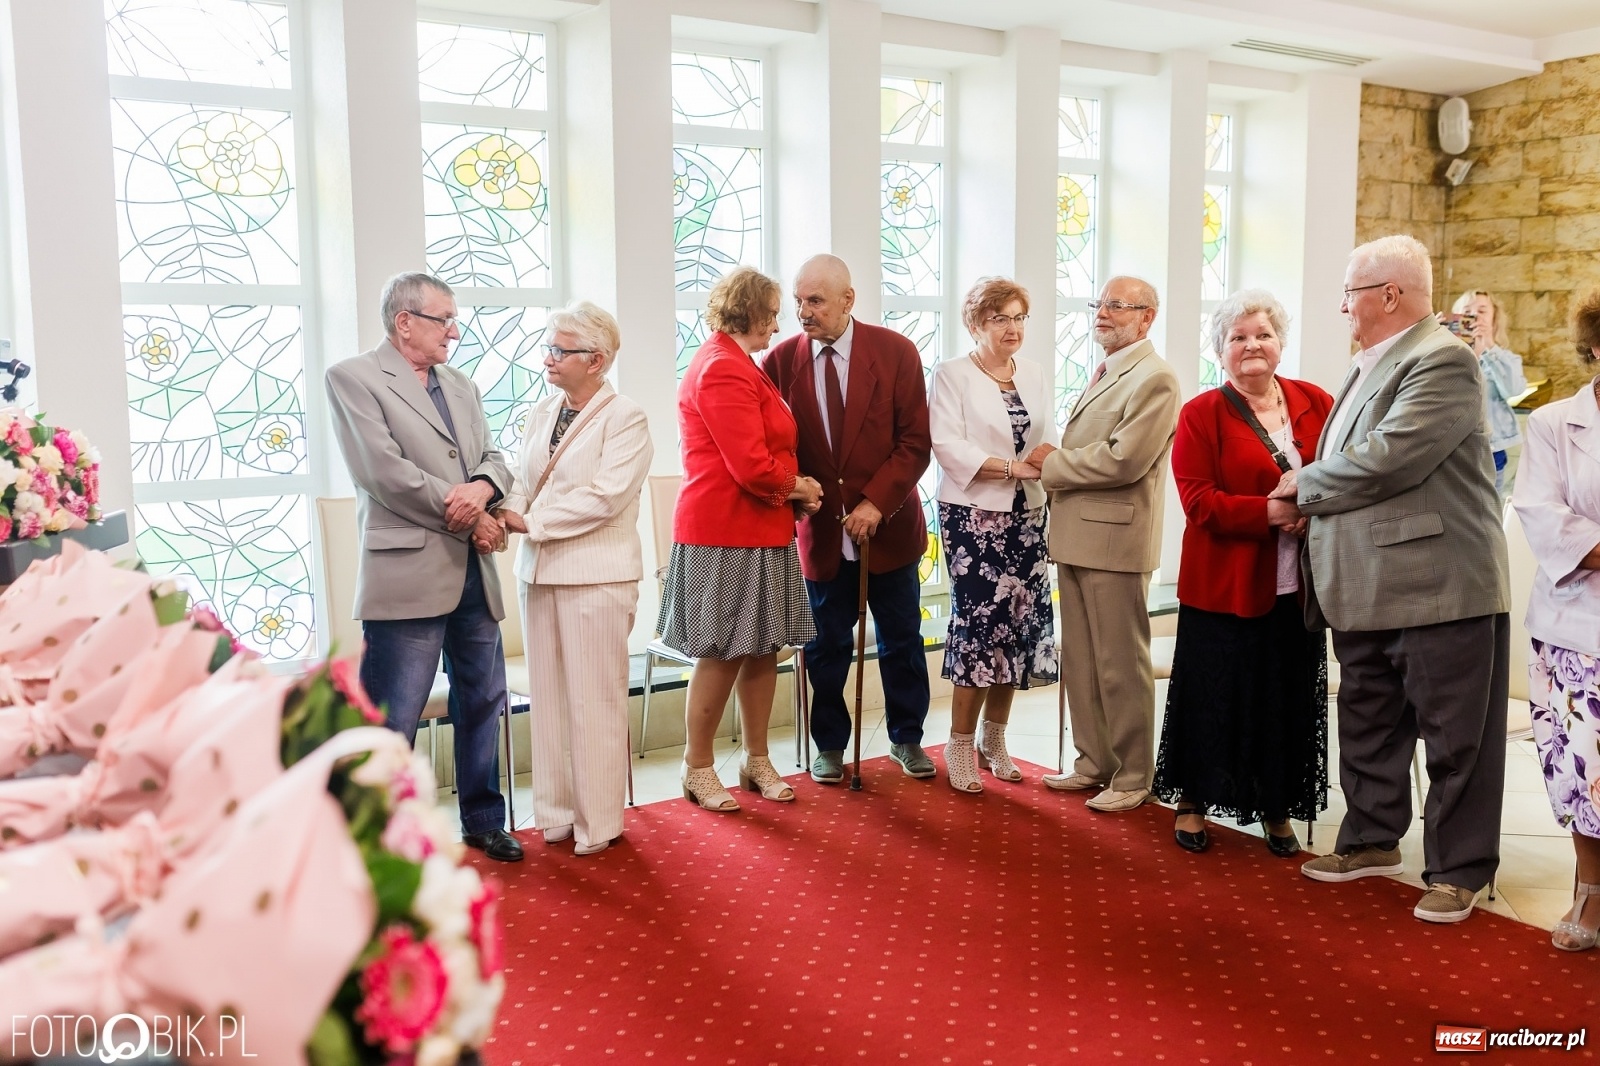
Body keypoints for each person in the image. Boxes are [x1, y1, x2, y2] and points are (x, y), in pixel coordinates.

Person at [1272, 234, 1510, 924]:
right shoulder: (1370, 361)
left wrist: (1302, 488)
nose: (1342, 305)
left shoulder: (1442, 358)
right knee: (1370, 716)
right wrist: (1310, 507)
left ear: (1388, 295)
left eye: (1349, 292)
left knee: (1455, 735)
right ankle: (1372, 839)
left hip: (1437, 580)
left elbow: (1392, 458)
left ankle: (1458, 869)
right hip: (1364, 576)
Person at [325, 271, 522, 863]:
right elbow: (382, 473)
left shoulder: (459, 383)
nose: (455, 333)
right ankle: (383, 839)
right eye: (444, 320)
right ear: (404, 321)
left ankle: (483, 819)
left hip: (472, 571)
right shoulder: (353, 377)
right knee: (395, 716)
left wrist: (486, 488)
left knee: (483, 699)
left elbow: (492, 455)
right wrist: (472, 516)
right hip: (407, 570)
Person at [1152, 290, 1333, 855]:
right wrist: (1273, 513)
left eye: (1263, 334)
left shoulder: (1315, 400)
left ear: (1280, 342)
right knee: (1214, 697)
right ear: (1221, 350)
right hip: (1223, 586)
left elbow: (1343, 470)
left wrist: (1313, 506)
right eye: (1238, 337)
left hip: (1296, 586)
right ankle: (1194, 802)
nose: (1252, 345)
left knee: (1284, 699)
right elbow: (1198, 501)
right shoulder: (1201, 412)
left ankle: (1276, 807)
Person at [763, 255, 935, 784]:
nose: (803, 312)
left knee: (901, 639)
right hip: (819, 532)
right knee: (826, 645)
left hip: (889, 528)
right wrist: (797, 493)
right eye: (797, 301)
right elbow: (770, 445)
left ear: (847, 300)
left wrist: (875, 503)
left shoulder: (895, 352)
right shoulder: (779, 362)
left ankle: (907, 738)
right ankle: (830, 745)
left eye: (814, 301)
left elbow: (914, 443)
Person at [662, 266, 822, 812]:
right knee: (720, 653)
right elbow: (751, 466)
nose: (777, 326)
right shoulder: (721, 368)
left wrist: (795, 491)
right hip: (724, 532)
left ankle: (757, 760)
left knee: (763, 651)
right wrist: (799, 486)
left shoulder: (739, 364)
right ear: (748, 311)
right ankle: (698, 767)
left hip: (760, 528)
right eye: (772, 314)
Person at [496, 302, 651, 857]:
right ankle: (557, 814)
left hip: (596, 577)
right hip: (539, 572)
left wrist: (531, 523)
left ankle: (599, 820)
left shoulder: (625, 416)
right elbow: (520, 479)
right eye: (549, 347)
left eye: (560, 351)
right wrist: (508, 516)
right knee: (552, 699)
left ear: (597, 359)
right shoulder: (542, 410)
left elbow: (605, 497)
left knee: (594, 700)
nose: (548, 358)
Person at [1027, 276, 1180, 813]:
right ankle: (1094, 762)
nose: (1103, 314)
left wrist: (1052, 465)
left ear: (1147, 317)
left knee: (1120, 663)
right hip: (1076, 537)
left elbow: (1124, 459)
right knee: (1084, 662)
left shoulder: (1155, 378)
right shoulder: (1109, 370)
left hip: (1116, 539)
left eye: (1117, 306)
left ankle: (1135, 773)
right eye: (1101, 304)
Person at [927, 277, 1059, 793]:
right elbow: (946, 443)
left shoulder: (1034, 372)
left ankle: (994, 740)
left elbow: (1048, 435)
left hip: (1028, 514)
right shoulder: (952, 373)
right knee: (981, 629)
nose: (1012, 328)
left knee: (1020, 625)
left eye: (1019, 317)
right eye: (1000, 318)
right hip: (973, 515)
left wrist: (1044, 461)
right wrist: (1010, 467)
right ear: (976, 324)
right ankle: (959, 745)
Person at [1508, 284, 1600, 951]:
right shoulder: (1554, 424)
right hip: (1577, 629)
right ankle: (1590, 892)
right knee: (1583, 770)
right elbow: (1544, 516)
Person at [1452, 290, 1526, 496]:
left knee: (1488, 514)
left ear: (1494, 320)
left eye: (1482, 311)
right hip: (1452, 448)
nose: (1475, 315)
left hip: (1491, 448)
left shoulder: (1506, 358)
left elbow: (1512, 390)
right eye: (1467, 311)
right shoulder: (1448, 356)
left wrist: (1489, 348)